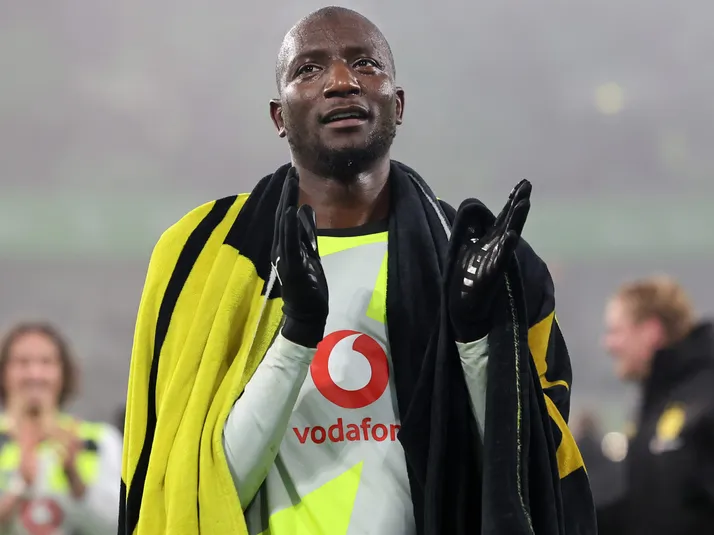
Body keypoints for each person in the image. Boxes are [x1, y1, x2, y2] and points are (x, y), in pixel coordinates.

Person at [120, 7, 595, 535]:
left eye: (365, 64)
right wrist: (298, 334)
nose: (341, 81)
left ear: (398, 104)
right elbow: (197, 495)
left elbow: (531, 487)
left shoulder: (493, 266)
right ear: (279, 117)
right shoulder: (201, 256)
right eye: (309, 69)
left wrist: (478, 341)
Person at [603, 275, 714, 535]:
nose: (608, 344)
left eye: (616, 331)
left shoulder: (704, 399)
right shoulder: (656, 405)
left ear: (650, 331)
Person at [0, 322, 122, 535]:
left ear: (64, 373)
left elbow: (118, 526)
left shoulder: (97, 442)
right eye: (22, 363)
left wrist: (75, 479)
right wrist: (19, 486)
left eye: (46, 362)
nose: (35, 374)